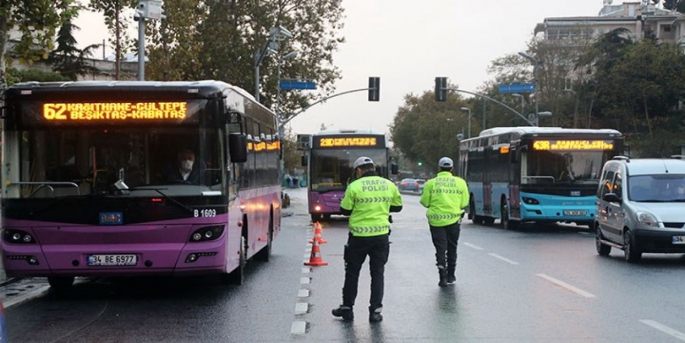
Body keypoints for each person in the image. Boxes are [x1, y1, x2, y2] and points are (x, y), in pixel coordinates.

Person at [332, 156, 403, 323]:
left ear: (358, 171)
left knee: (352, 272)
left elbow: (345, 210)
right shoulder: (388, 185)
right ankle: (375, 311)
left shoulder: (354, 186)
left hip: (359, 237)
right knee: (377, 273)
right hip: (381, 237)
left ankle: (347, 308)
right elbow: (398, 206)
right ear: (374, 168)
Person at [419, 157, 469, 287]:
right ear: (452, 168)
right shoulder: (460, 182)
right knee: (452, 247)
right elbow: (464, 203)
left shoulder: (431, 183)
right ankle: (451, 275)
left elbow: (425, 202)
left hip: (436, 221)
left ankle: (442, 275)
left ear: (439, 168)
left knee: (440, 248)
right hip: (454, 219)